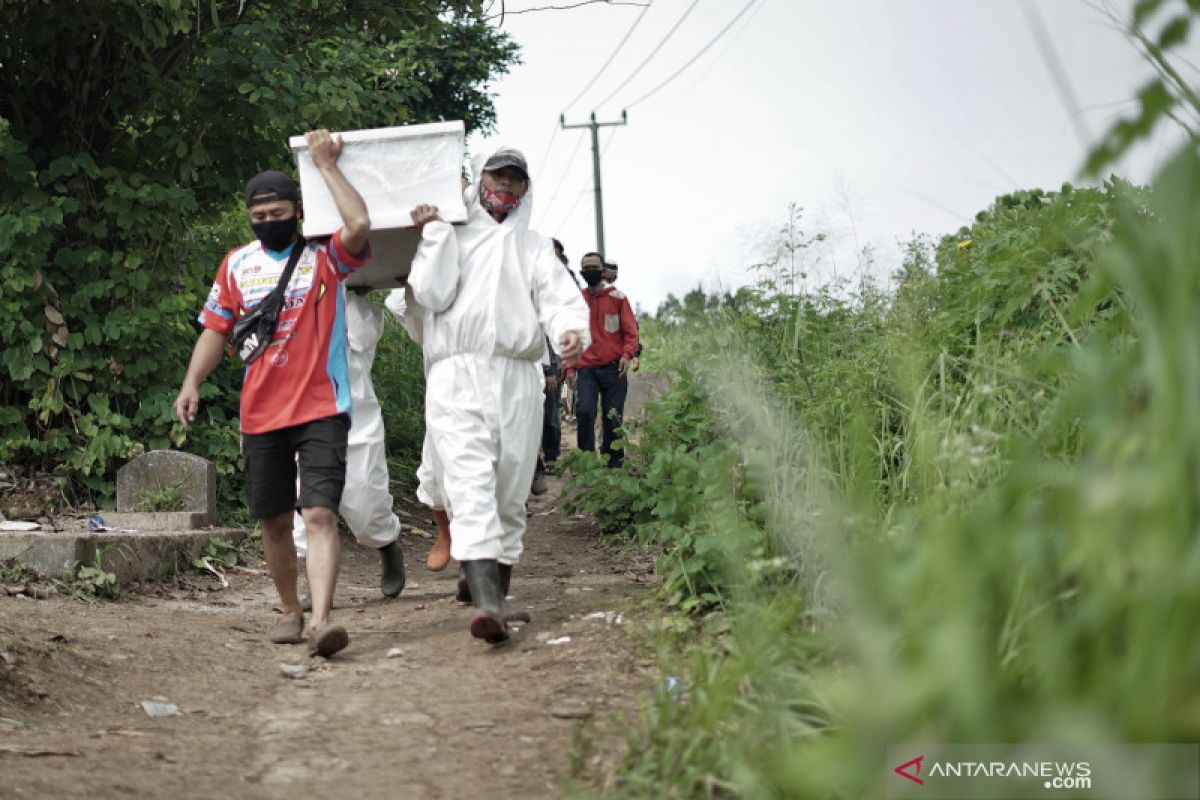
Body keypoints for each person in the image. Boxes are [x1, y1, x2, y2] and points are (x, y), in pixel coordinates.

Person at [174, 129, 369, 659]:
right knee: (275, 520)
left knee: (320, 514)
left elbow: (360, 224)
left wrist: (327, 164)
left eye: (278, 212)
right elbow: (216, 329)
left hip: (323, 406)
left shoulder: (325, 256)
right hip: (261, 414)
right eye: (258, 216)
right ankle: (290, 610)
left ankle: (324, 619)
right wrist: (192, 382)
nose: (268, 223)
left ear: (297, 209)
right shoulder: (236, 265)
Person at [406, 147, 590, 644]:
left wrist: (571, 333)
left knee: (509, 489)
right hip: (454, 375)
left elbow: (559, 300)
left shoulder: (533, 248)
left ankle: (494, 593)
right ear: (479, 178)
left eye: (515, 180)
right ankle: (487, 603)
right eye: (497, 176)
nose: (505, 187)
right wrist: (435, 236)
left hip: (516, 377)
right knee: (468, 479)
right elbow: (429, 294)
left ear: (526, 189)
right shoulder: (450, 231)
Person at [292, 289, 405, 607]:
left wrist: (346, 291)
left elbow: (364, 336)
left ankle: (387, 544)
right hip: (302, 414)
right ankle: (312, 582)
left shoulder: (345, 296)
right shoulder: (284, 291)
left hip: (354, 414)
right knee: (303, 504)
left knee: (365, 501)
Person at [566, 252, 640, 468]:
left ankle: (614, 462)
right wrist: (570, 369)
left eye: (593, 267)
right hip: (586, 368)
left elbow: (631, 332)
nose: (589, 271)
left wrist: (627, 355)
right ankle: (586, 460)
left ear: (603, 270)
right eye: (585, 267)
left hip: (614, 368)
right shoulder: (578, 300)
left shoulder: (618, 298)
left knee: (613, 417)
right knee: (584, 411)